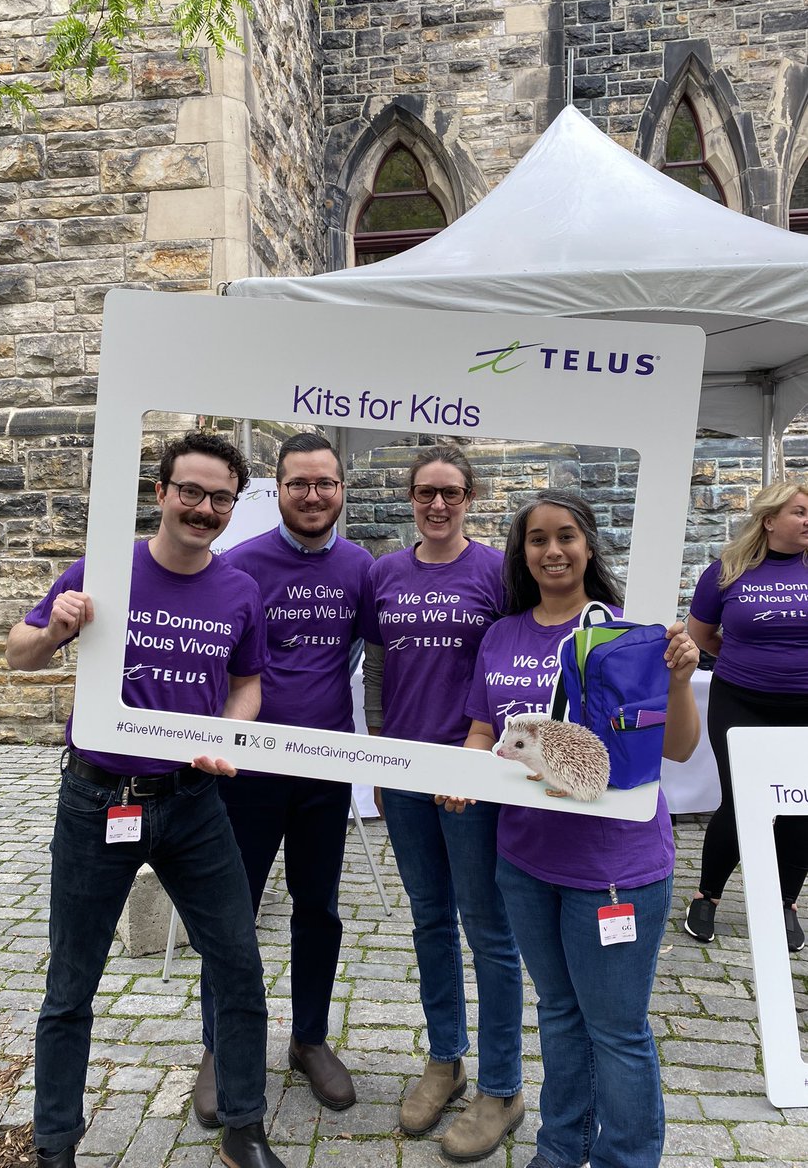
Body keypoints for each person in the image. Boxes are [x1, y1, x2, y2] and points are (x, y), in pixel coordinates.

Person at [6, 431, 288, 1168]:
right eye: (189, 491)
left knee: (237, 964)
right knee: (72, 979)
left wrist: (232, 735)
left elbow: (247, 683)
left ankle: (242, 1129)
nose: (203, 508)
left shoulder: (238, 590)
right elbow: (18, 652)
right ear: (160, 492)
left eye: (219, 498)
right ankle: (55, 1143)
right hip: (97, 796)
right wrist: (57, 627)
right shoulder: (104, 568)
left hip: (194, 800)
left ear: (233, 506)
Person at [455, 489, 699, 1168]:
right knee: (559, 1015)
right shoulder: (502, 634)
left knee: (616, 1030)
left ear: (589, 545)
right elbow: (481, 729)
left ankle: (625, 1158)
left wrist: (680, 680)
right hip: (526, 861)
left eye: (566, 536)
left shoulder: (633, 632)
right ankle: (560, 1149)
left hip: (613, 866)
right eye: (537, 539)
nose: (553, 550)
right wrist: (464, 775)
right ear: (521, 552)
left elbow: (676, 748)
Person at [196, 433, 372, 1122]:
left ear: (340, 489)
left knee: (318, 910)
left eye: (324, 483)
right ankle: (219, 1048)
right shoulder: (237, 565)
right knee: (229, 913)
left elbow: (365, 655)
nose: (312, 495)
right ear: (278, 488)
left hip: (325, 771)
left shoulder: (361, 567)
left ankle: (309, 1039)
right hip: (247, 772)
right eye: (298, 483)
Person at [361, 445, 525, 1164]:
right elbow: (375, 666)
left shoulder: (497, 572)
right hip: (403, 769)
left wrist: (487, 758)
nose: (437, 505)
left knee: (488, 928)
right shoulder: (384, 573)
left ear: (471, 496)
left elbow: (521, 661)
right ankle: (444, 1059)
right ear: (410, 496)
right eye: (425, 493)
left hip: (472, 772)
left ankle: (504, 1084)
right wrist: (373, 751)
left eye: (450, 493)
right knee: (429, 918)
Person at [684, 480, 808, 952]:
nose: (807, 520)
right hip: (741, 701)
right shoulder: (726, 571)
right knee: (741, 801)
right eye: (799, 511)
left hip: (805, 708)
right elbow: (702, 635)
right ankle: (706, 896)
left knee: (800, 805)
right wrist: (749, 661)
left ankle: (785, 904)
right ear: (769, 519)